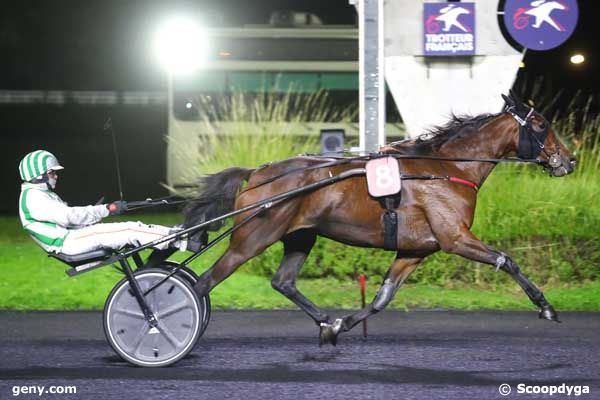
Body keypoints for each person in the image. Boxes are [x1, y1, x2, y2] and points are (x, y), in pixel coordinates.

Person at [18, 150, 196, 256]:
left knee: (130, 227)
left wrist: (94, 217)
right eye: (51, 173)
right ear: (38, 175)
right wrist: (106, 209)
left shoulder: (39, 194)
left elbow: (64, 220)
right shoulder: (34, 198)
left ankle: (175, 234)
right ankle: (180, 240)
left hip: (72, 237)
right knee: (129, 229)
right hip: (68, 243)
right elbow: (68, 217)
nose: (55, 176)